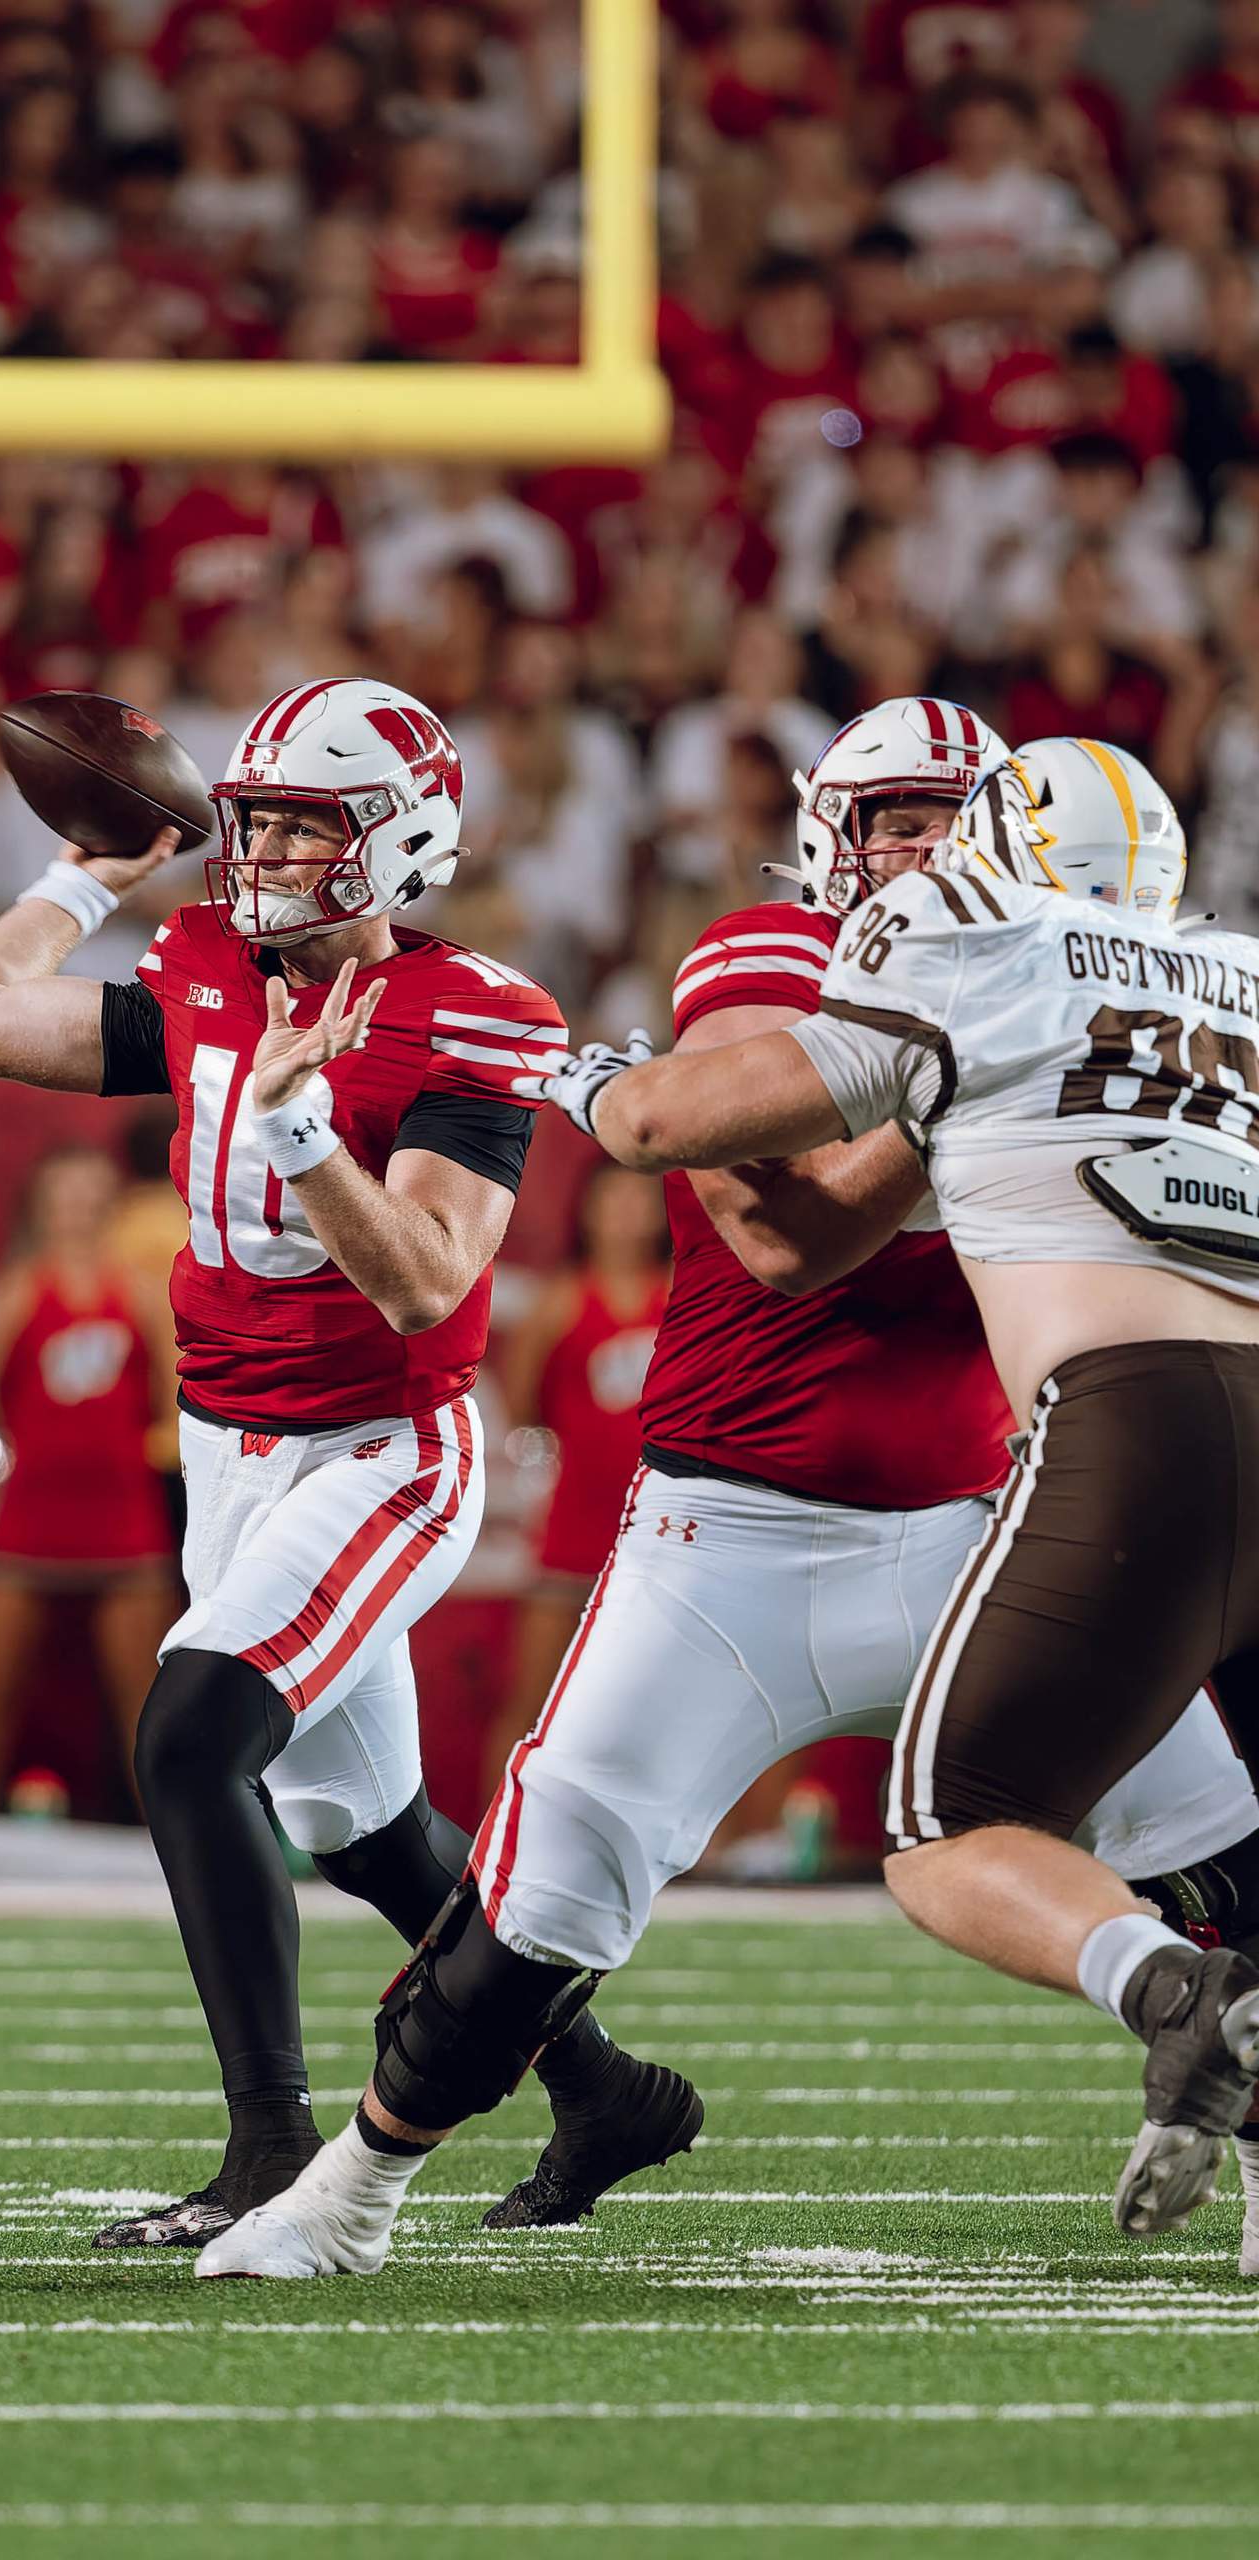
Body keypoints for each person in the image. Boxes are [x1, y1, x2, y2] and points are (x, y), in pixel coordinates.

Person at [194, 711, 1259, 2279]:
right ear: (828, 831)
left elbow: (716, 1130)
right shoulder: (788, 945)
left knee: (1220, 1842)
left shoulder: (1003, 970)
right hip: (736, 1536)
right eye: (888, 814)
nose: (915, 846)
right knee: (536, 1900)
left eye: (949, 818)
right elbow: (785, 1242)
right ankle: (348, 2192)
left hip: (995, 1508)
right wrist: (954, 1087)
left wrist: (945, 1073)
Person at [0, 675, 695, 2250]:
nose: (256, 846)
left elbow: (423, 1279)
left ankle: (272, 2147)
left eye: (296, 821)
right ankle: (600, 2084)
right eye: (252, 812)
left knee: (192, 1742)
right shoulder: (205, 961)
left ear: (395, 843)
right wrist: (85, 876)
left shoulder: (480, 1011)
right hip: (227, 1450)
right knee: (364, 1830)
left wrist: (297, 1131)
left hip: (381, 1451)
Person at [0, 1147, 179, 1814]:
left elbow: (175, 1404)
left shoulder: (140, 1293)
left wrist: (152, 1464)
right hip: (29, 1517)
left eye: (89, 1192)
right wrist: (1, 1471)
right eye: (63, 1193)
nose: (77, 1208)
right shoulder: (20, 1291)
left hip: (122, 1519)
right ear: (40, 1207)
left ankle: (174, 1850)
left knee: (144, 1698)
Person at [484, 1161, 667, 1790]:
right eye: (612, 1201)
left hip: (661, 1534)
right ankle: (491, 1838)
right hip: (575, 1524)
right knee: (532, 1700)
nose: (625, 1215)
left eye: (639, 1201)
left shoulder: (679, 1295)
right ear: (586, 1212)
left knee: (652, 1706)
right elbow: (522, 1405)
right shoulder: (560, 1302)